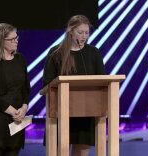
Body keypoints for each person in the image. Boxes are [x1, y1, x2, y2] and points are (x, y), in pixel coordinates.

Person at [43, 15, 105, 156]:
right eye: (80, 32)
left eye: (86, 33)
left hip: (86, 113)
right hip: (60, 112)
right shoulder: (55, 53)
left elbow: (102, 82)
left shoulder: (93, 53)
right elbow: (47, 83)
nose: (84, 36)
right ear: (70, 31)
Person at [0, 23, 30, 156]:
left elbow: (26, 88)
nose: (16, 41)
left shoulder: (20, 59)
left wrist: (24, 108)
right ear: (1, 41)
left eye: (16, 37)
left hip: (17, 120)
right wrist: (13, 111)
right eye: (12, 39)